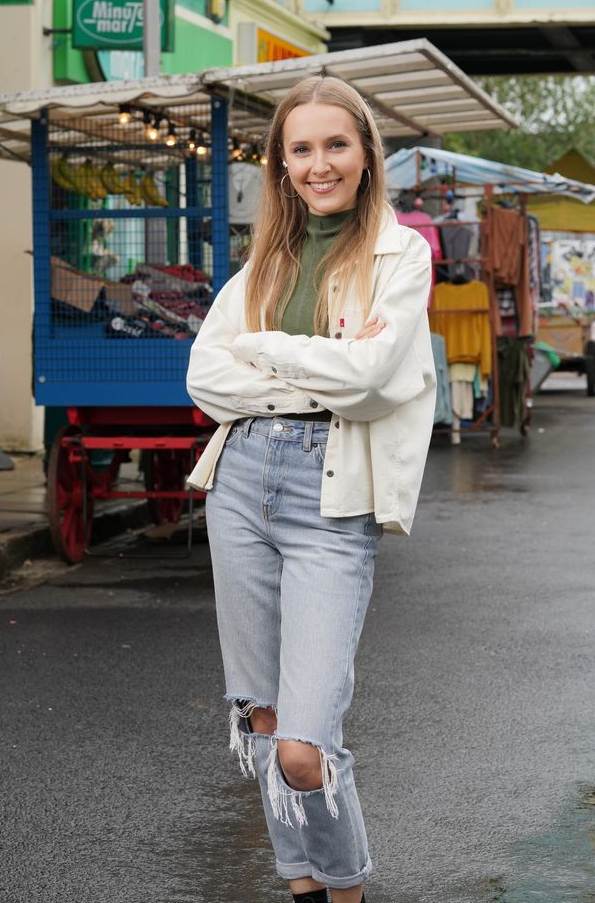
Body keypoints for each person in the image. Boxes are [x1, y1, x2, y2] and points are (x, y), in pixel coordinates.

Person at [186, 75, 436, 903]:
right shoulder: (265, 260)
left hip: (331, 497)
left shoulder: (403, 256)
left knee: (303, 744)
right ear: (280, 163)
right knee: (261, 724)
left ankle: (347, 888)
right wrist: (312, 369)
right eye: (301, 149)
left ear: (367, 155)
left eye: (337, 144)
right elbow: (202, 377)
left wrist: (265, 351)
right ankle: (304, 890)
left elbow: (370, 378)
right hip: (240, 482)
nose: (319, 163)